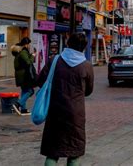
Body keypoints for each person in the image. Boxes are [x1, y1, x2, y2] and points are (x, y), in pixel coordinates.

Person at [38, 33, 94, 166]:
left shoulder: (55, 61)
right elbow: (88, 91)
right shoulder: (86, 66)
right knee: (74, 154)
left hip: (55, 111)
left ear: (68, 43)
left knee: (52, 152)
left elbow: (40, 81)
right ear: (84, 47)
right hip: (76, 114)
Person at [12, 37, 35, 116]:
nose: (29, 46)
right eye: (29, 44)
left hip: (20, 75)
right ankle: (18, 104)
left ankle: (23, 109)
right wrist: (32, 56)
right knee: (30, 91)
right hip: (24, 75)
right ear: (26, 44)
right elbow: (28, 62)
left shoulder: (19, 52)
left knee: (24, 91)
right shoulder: (23, 52)